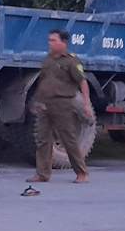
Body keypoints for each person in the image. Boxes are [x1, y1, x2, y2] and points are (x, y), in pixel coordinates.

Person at [27, 29, 94, 184]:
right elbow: (42, 82)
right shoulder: (48, 60)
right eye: (49, 40)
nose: (50, 43)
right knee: (43, 139)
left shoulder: (71, 61)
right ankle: (43, 173)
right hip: (45, 105)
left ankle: (81, 173)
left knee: (68, 139)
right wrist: (38, 101)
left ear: (63, 43)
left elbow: (82, 82)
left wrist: (86, 103)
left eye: (53, 40)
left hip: (62, 104)